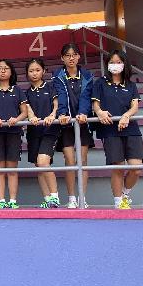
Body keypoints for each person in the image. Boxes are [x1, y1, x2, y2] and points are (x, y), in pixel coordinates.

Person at [92, 50, 143, 209]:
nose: (115, 65)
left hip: (131, 129)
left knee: (136, 168)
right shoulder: (100, 83)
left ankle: (125, 194)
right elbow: (96, 105)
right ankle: (118, 202)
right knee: (118, 167)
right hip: (109, 130)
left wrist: (126, 116)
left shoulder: (131, 85)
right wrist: (100, 112)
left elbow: (135, 107)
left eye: (118, 62)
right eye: (112, 62)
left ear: (124, 64)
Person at [0, 59, 28, 208]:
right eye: (0, 68)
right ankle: (1, 200)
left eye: (6, 68)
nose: (3, 71)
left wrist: (16, 119)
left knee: (12, 168)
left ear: (11, 72)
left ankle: (13, 201)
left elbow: (24, 112)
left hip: (14, 132)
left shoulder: (18, 91)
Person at [53, 43, 94, 208]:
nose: (71, 58)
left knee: (82, 161)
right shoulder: (58, 76)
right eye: (67, 55)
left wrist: (83, 113)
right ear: (62, 58)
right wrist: (62, 113)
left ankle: (82, 197)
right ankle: (71, 198)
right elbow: (61, 96)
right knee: (70, 161)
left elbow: (86, 97)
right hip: (66, 124)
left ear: (78, 56)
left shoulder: (87, 76)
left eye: (74, 55)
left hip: (83, 123)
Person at [25, 58, 60, 208]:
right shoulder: (26, 93)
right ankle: (47, 200)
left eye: (37, 70)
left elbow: (56, 105)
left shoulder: (51, 87)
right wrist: (31, 116)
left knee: (43, 162)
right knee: (38, 166)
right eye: (31, 71)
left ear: (44, 71)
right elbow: (27, 109)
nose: (34, 73)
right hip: (33, 132)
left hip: (49, 131)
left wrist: (52, 115)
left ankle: (55, 197)